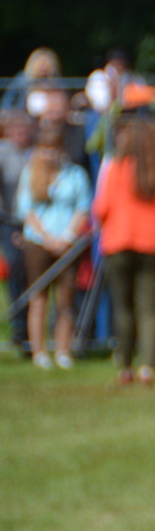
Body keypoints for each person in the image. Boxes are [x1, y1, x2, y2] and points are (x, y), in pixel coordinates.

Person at [93, 116, 155, 385]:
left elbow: (101, 208)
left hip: (119, 242)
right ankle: (148, 367)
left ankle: (124, 365)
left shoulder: (116, 168)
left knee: (123, 306)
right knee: (149, 308)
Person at [16, 124, 91, 369]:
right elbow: (26, 210)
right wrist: (46, 238)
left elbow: (83, 207)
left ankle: (63, 350)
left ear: (61, 149)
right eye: (44, 149)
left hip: (67, 242)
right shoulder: (30, 173)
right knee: (38, 298)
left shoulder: (76, 174)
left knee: (65, 299)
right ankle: (39, 351)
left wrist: (67, 236)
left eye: (53, 149)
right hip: (38, 242)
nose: (48, 154)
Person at [0, 110, 33, 352]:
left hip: (35, 222)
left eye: (24, 130)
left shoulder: (37, 152)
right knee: (14, 271)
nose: (20, 135)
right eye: (16, 130)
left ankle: (33, 329)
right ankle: (19, 326)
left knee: (34, 273)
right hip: (9, 221)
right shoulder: (3, 153)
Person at [3, 47, 61, 117]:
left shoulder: (56, 84)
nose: (43, 67)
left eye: (46, 64)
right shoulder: (22, 80)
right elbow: (8, 99)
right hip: (22, 115)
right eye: (41, 64)